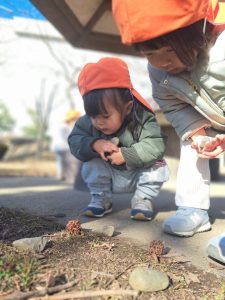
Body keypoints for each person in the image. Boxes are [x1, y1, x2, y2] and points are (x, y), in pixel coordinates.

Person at [112, 0, 225, 236]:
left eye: (171, 50)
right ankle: (192, 209)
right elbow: (173, 107)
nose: (163, 62)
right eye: (150, 53)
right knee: (192, 145)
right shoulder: (159, 73)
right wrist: (197, 134)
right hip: (208, 119)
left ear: (198, 31)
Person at [68, 57, 169, 220]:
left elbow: (156, 144)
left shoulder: (143, 120)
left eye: (105, 116)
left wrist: (126, 155)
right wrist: (94, 144)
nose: (99, 122)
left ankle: (142, 199)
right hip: (107, 175)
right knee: (91, 163)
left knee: (159, 164)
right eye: (93, 116)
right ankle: (101, 198)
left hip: (137, 173)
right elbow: (74, 141)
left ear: (127, 107)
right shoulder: (86, 123)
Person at [50, 109, 81, 183]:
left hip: (56, 146)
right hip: (64, 146)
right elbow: (69, 137)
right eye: (76, 118)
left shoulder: (60, 125)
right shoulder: (67, 127)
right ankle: (71, 178)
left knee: (60, 160)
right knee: (70, 162)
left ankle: (60, 175)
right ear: (72, 119)